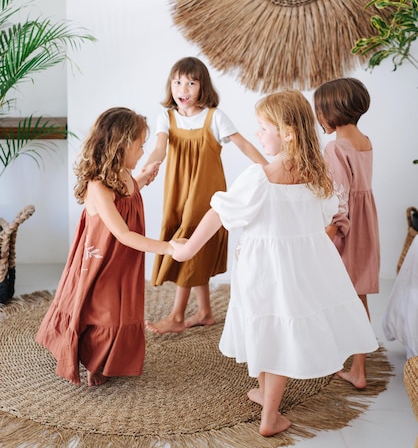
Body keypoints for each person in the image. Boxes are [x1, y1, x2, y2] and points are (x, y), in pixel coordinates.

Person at [170, 90, 378, 437]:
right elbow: (327, 217)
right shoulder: (319, 176)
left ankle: (271, 415)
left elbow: (219, 212)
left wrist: (188, 249)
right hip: (302, 267)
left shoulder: (261, 177)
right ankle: (266, 395)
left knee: (269, 328)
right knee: (278, 326)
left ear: (287, 133)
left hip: (262, 268)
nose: (257, 135)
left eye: (263, 128)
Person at [36, 107, 174, 387]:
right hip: (101, 261)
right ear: (122, 146)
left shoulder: (124, 174)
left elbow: (128, 197)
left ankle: (108, 359)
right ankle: (92, 363)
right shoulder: (97, 187)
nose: (142, 151)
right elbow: (122, 233)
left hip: (122, 261)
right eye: (139, 146)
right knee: (101, 310)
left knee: (121, 309)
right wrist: (168, 247)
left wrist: (144, 177)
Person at [142, 56, 267, 335]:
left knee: (189, 240)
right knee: (191, 243)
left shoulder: (215, 117)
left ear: (202, 87)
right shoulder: (168, 117)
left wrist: (268, 169)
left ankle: (176, 316)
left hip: (205, 193)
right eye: (177, 82)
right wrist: (152, 164)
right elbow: (160, 147)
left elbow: (243, 144)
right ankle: (205, 312)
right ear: (170, 85)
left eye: (190, 82)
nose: (182, 89)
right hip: (177, 192)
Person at [313, 77, 380, 389]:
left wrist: (329, 232)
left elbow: (339, 196)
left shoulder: (335, 147)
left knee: (333, 292)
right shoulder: (364, 140)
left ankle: (327, 354)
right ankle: (358, 368)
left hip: (347, 227)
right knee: (359, 295)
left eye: (319, 111)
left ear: (333, 112)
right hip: (367, 224)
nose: (318, 118)